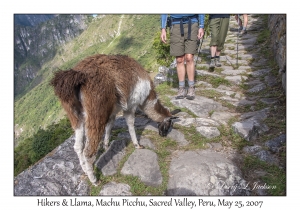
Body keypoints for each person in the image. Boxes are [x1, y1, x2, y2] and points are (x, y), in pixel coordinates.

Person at [161, 14, 205, 100]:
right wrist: (163, 28)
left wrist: (201, 26)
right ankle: (181, 88)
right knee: (179, 59)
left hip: (192, 23)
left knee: (189, 57)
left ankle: (191, 87)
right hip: (175, 24)